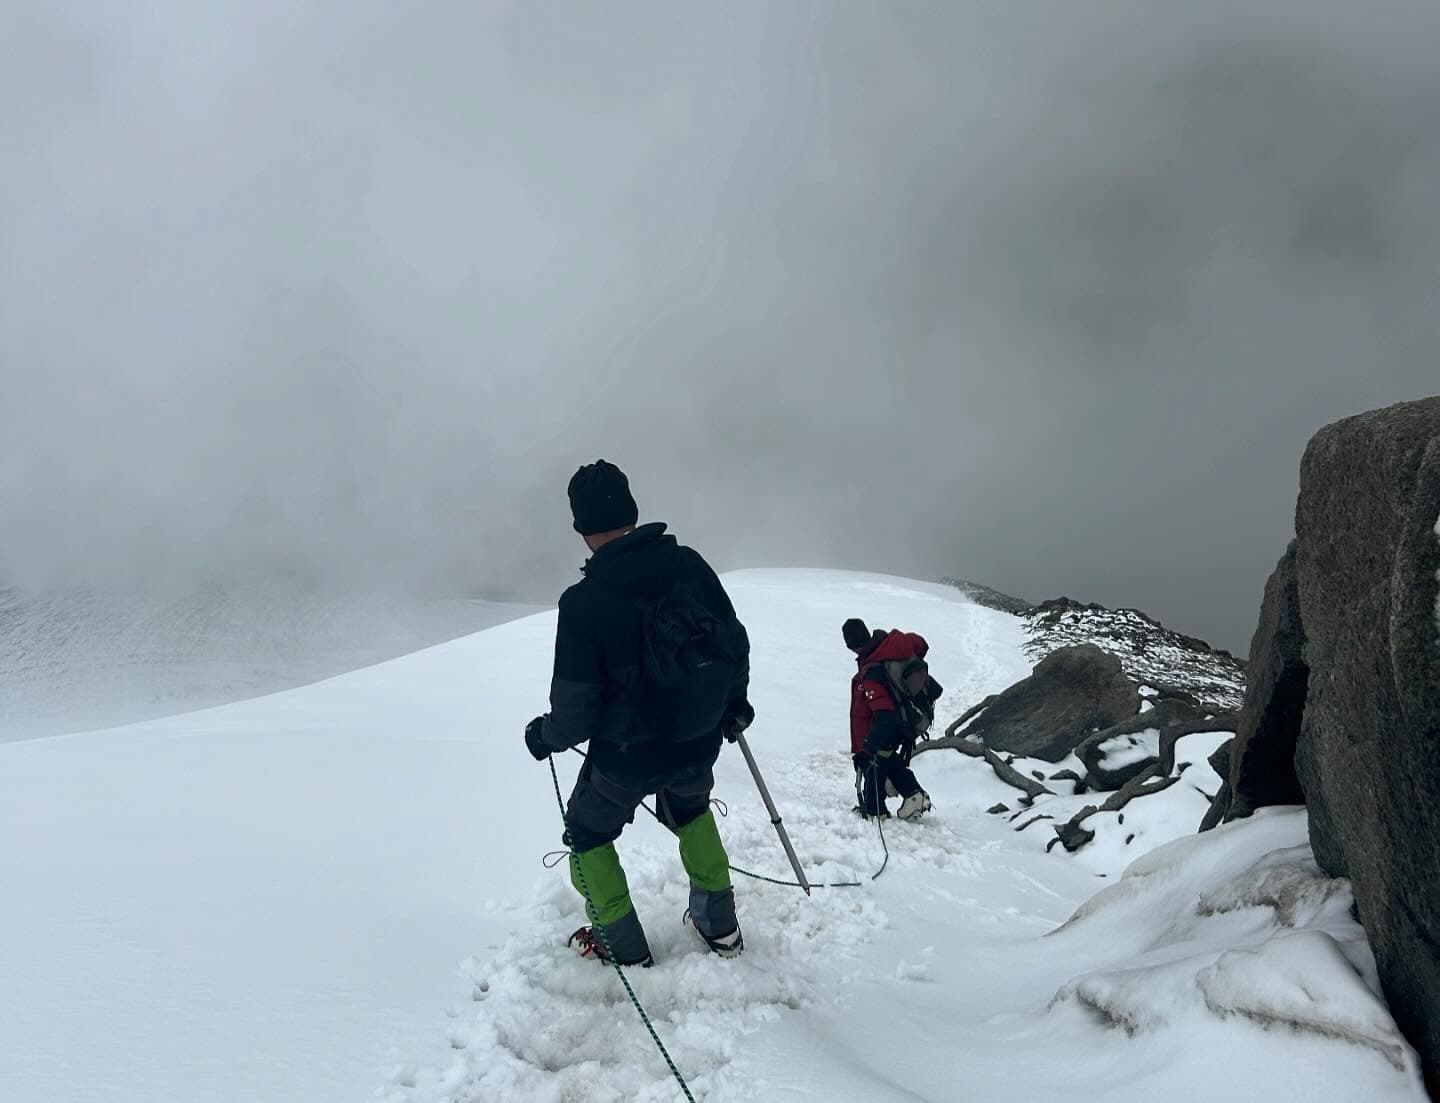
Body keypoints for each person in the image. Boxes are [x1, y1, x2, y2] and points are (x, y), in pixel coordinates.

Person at [524, 460, 754, 967]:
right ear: (632, 510)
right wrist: (734, 705)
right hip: (697, 737)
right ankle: (721, 928)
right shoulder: (690, 566)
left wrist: (545, 737)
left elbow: (576, 710)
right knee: (690, 811)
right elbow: (732, 643)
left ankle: (621, 945)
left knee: (587, 834)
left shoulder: (584, 603)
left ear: (581, 527)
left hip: (625, 758)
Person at [844, 617, 942, 821]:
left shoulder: (874, 671)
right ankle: (911, 795)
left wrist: (867, 748)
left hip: (895, 722)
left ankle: (876, 811)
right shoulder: (889, 645)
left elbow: (884, 716)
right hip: (906, 716)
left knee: (875, 758)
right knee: (885, 758)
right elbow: (920, 643)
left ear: (852, 646)